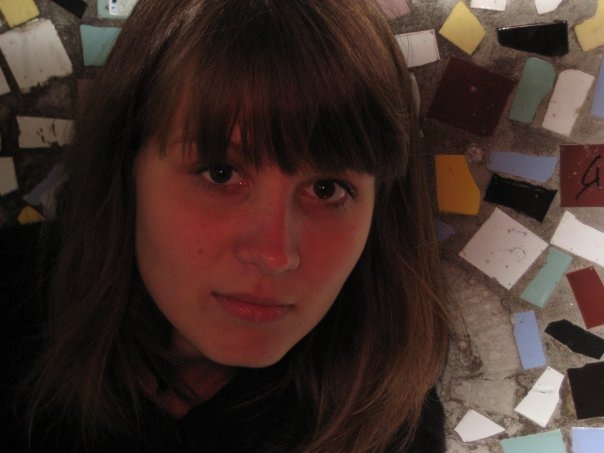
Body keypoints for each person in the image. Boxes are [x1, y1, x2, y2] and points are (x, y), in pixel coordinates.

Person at [0, 0, 449, 451]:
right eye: (220, 173)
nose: (274, 254)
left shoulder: (393, 424)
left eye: (326, 189)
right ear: (126, 166)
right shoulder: (12, 304)